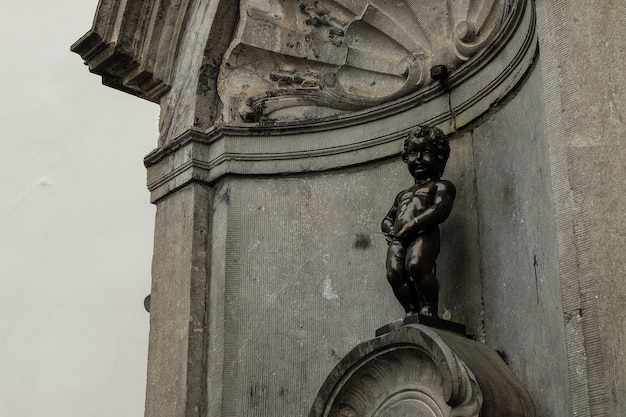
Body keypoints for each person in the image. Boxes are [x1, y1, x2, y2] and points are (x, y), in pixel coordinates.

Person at [381, 126, 455, 317]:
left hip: (424, 233)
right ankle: (411, 310)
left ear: (439, 156)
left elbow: (440, 209)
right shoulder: (403, 194)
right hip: (399, 238)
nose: (419, 159)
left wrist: (414, 225)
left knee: (416, 264)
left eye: (426, 152)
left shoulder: (441, 186)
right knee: (394, 272)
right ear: (406, 157)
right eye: (413, 153)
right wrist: (390, 229)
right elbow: (388, 218)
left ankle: (429, 307)